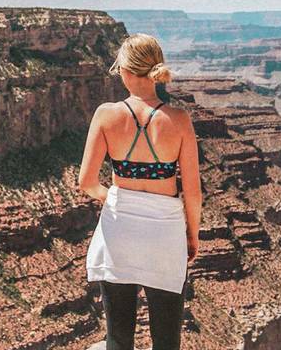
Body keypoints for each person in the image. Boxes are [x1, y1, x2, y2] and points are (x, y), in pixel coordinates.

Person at [77, 33, 202, 350]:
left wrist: (116, 198)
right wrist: (192, 237)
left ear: (127, 71)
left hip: (120, 231)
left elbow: (87, 182)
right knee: (167, 340)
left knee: (118, 338)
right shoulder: (179, 120)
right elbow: (193, 191)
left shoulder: (107, 114)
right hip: (165, 232)